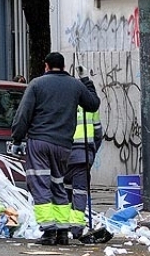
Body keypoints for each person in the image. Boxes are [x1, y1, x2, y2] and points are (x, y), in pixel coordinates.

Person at [11, 52, 100, 246]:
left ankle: (49, 231)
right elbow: (93, 105)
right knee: (58, 184)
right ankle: (62, 231)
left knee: (40, 184)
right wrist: (86, 80)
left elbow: (24, 113)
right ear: (63, 65)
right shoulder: (75, 85)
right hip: (63, 146)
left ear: (46, 66)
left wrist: (17, 138)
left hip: (40, 141)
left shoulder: (37, 84)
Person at [64, 100, 103, 240]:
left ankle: (63, 226)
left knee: (64, 190)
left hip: (64, 154)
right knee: (80, 191)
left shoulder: (63, 101)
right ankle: (77, 227)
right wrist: (92, 153)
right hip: (83, 155)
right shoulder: (91, 105)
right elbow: (98, 133)